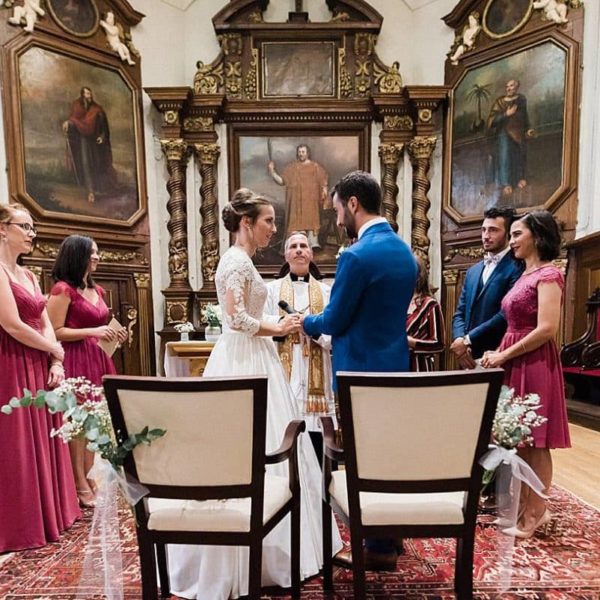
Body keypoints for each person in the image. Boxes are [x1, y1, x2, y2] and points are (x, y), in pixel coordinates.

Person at [167, 189, 342, 600]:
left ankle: (283, 546)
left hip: (256, 356)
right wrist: (280, 327)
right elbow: (236, 319)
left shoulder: (244, 260)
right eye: (268, 221)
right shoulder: (234, 260)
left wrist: (275, 323)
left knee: (277, 435)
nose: (274, 229)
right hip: (243, 359)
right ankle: (249, 551)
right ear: (247, 222)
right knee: (249, 441)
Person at [302, 170, 417, 571]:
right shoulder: (405, 252)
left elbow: (333, 320)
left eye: (336, 210)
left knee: (364, 459)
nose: (335, 220)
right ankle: (392, 533)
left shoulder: (355, 255)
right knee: (389, 453)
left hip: (360, 373)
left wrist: (306, 322)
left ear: (352, 204)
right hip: (394, 367)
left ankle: (378, 547)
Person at [480, 210, 570, 538]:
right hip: (514, 357)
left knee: (537, 441)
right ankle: (520, 506)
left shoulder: (548, 275)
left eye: (518, 234)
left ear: (537, 236)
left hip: (533, 361)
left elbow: (547, 328)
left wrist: (504, 353)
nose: (512, 240)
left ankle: (537, 512)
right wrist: (498, 353)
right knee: (518, 439)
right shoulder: (524, 274)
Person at [0, 203, 80, 553]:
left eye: (33, 227)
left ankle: (53, 513)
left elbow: (44, 318)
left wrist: (56, 358)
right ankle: (24, 523)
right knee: (17, 441)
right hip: (12, 360)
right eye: (25, 226)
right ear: (3, 230)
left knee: (45, 433)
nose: (32, 233)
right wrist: (55, 349)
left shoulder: (30, 275)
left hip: (40, 359)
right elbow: (11, 324)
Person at [46, 235, 127, 509]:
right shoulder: (62, 290)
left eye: (98, 252)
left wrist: (114, 335)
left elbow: (99, 328)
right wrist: (93, 331)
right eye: (92, 253)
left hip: (98, 358)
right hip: (74, 359)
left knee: (96, 423)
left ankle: (90, 478)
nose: (97, 257)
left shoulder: (98, 290)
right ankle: (78, 483)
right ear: (77, 255)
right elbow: (54, 331)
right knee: (78, 426)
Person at [265, 231, 336, 464]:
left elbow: (333, 331)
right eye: (293, 246)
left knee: (315, 429)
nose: (298, 250)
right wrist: (284, 325)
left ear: (311, 254)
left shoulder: (326, 292)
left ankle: (319, 489)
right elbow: (263, 326)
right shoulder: (272, 291)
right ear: (285, 254)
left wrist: (311, 328)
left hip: (315, 365)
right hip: (284, 362)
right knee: (285, 424)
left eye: (303, 246)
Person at [451, 206, 524, 367]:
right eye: (484, 230)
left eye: (493, 230)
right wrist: (459, 341)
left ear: (508, 234)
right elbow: (460, 312)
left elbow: (505, 314)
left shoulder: (517, 267)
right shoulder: (472, 271)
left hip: (498, 352)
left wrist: (468, 339)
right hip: (467, 355)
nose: (486, 236)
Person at [268, 144, 328, 249]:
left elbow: (323, 180)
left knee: (311, 221)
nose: (301, 154)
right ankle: (295, 245)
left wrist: (324, 190)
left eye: (303, 152)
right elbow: (282, 181)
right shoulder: (292, 168)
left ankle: (312, 244)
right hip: (296, 204)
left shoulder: (315, 167)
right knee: (295, 224)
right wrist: (272, 171)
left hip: (310, 202)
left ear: (307, 153)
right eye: (299, 152)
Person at [62, 86, 115, 204]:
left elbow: (104, 126)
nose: (89, 96)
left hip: (95, 142)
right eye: (86, 94)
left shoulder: (97, 110)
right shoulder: (77, 107)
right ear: (82, 95)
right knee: (86, 164)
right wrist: (68, 123)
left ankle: (97, 189)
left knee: (96, 164)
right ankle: (90, 191)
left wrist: (102, 136)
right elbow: (74, 120)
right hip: (83, 141)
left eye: (90, 94)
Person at [486, 79, 535, 197]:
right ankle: (506, 183)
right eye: (507, 86)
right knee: (505, 157)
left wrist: (528, 128)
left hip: (519, 133)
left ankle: (519, 179)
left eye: (511, 86)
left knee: (519, 156)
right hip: (504, 134)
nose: (508, 88)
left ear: (517, 87)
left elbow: (524, 116)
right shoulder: (500, 102)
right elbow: (491, 121)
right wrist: (506, 115)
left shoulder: (521, 100)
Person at [406, 255, 445, 372]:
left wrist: (411, 342)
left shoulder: (430, 305)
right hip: (395, 367)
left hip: (419, 369)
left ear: (418, 276)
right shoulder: (397, 302)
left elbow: (439, 345)